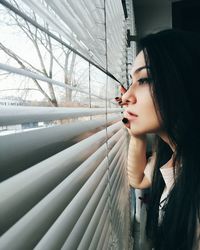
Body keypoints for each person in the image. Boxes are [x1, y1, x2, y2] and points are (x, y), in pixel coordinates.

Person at [115, 29, 200, 250]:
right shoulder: (179, 158)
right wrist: (136, 134)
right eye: (130, 82)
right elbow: (139, 179)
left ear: (183, 80)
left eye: (144, 79)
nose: (125, 97)